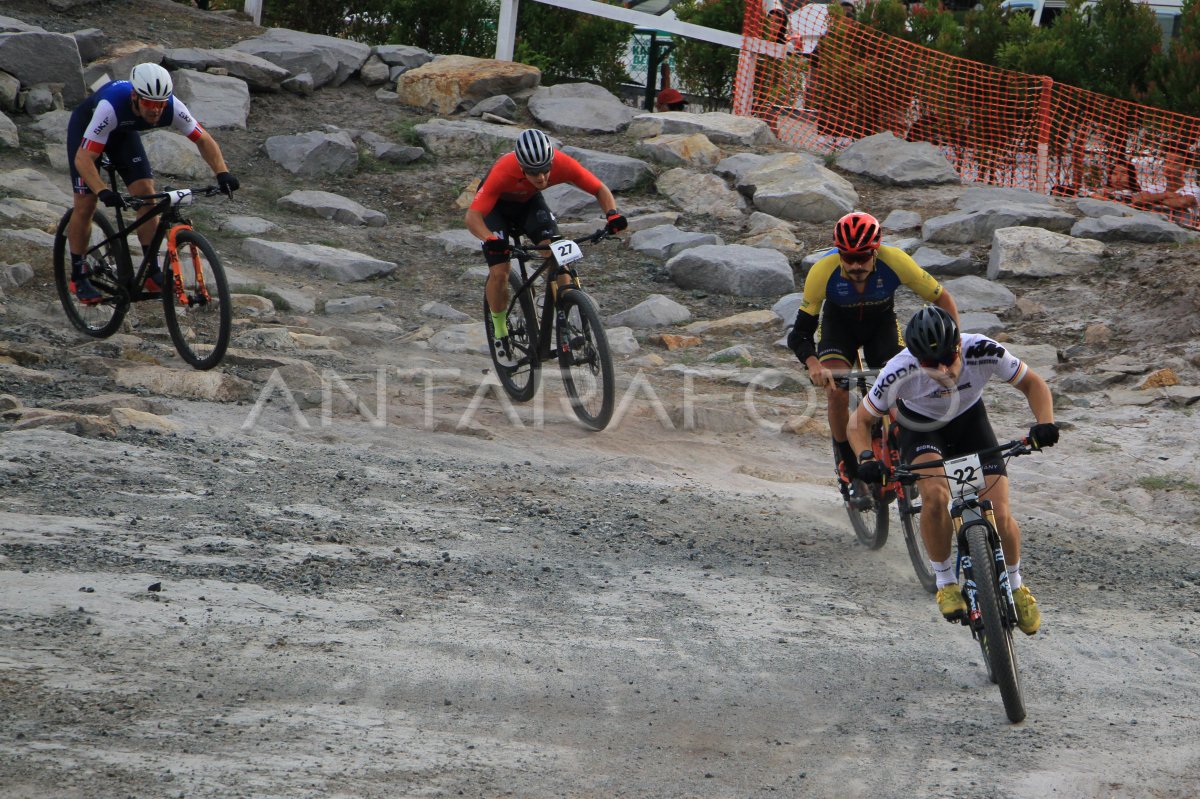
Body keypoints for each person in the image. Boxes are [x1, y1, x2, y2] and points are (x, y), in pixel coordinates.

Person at [846, 306, 1058, 635]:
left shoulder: (982, 348)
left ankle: (1016, 586)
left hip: (970, 423)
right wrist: (864, 458)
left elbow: (1033, 384)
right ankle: (945, 581)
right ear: (916, 359)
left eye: (949, 357)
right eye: (932, 364)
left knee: (1000, 514)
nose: (944, 368)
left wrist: (1044, 424)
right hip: (921, 429)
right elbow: (859, 421)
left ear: (959, 345)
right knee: (934, 496)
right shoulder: (898, 369)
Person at [787, 211, 958, 499]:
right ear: (839, 252)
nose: (855, 265)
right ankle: (850, 466)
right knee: (837, 392)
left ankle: (905, 453)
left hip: (881, 327)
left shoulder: (896, 261)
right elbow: (800, 334)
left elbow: (942, 298)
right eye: (848, 257)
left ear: (875, 251)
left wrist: (953, 347)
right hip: (838, 329)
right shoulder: (822, 271)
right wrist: (814, 364)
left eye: (863, 257)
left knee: (901, 390)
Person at [66, 63, 239, 303]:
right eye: (149, 103)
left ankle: (150, 270)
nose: (156, 110)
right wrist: (102, 190)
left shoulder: (171, 106)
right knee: (86, 203)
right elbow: (83, 159)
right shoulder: (110, 107)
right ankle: (78, 273)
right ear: (135, 97)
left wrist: (222, 173)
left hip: (123, 133)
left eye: (160, 104)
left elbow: (204, 139)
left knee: (146, 193)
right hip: (88, 129)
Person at [464, 129, 627, 365]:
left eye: (545, 169)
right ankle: (499, 328)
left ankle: (565, 318)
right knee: (500, 272)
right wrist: (490, 239)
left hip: (529, 205)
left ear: (551, 160)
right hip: (495, 212)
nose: (541, 177)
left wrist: (612, 215)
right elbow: (472, 217)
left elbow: (599, 189)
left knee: (559, 255)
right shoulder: (503, 171)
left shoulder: (562, 163)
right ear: (521, 167)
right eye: (533, 172)